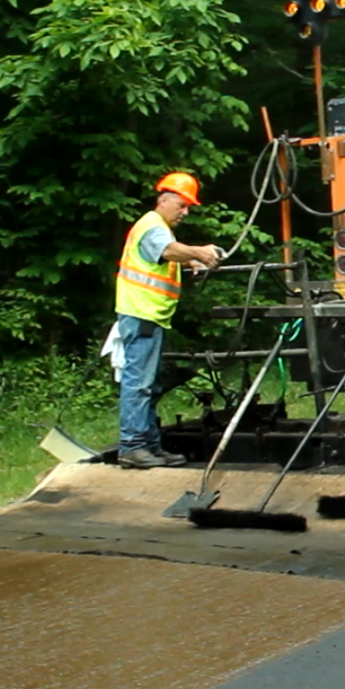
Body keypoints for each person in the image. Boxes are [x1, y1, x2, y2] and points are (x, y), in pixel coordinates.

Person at [113, 172, 222, 469]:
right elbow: (165, 250)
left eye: (189, 207)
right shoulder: (152, 226)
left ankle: (149, 446)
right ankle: (133, 446)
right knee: (140, 383)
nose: (185, 212)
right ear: (164, 199)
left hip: (150, 316)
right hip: (142, 314)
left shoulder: (158, 228)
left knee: (150, 383)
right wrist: (199, 251)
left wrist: (189, 260)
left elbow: (166, 254)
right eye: (182, 205)